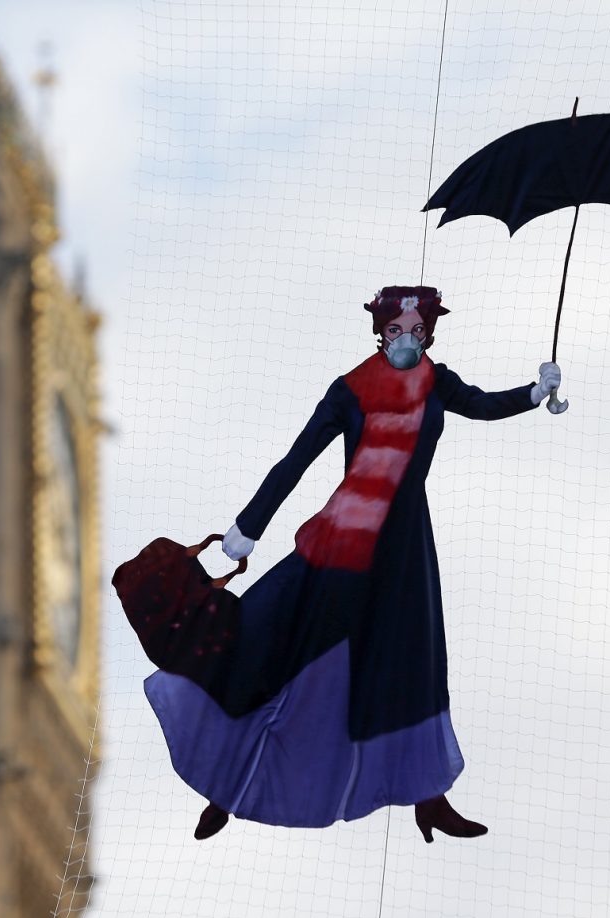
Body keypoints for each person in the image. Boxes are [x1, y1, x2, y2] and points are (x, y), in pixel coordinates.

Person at [141, 285, 561, 843]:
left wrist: (536, 392)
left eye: (417, 332)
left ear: (429, 334)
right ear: (380, 332)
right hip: (341, 542)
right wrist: (250, 523)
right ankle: (228, 783)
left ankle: (429, 797)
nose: (407, 340)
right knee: (272, 638)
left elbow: (483, 404)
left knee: (415, 666)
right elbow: (296, 459)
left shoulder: (439, 383)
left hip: (405, 549)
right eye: (396, 332)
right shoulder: (349, 391)